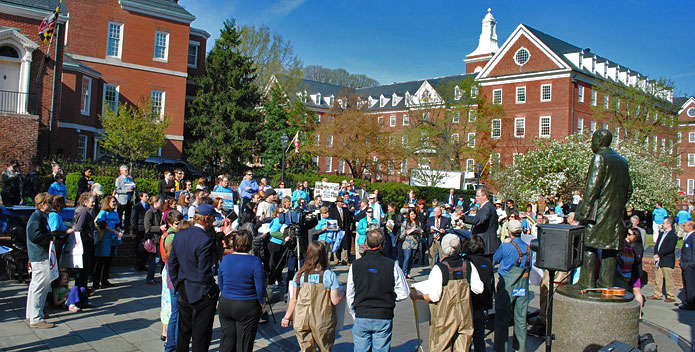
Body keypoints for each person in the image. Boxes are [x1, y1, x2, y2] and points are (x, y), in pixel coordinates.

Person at [575, 129, 632, 289]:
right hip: (616, 215)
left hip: (599, 214)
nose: (591, 144)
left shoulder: (599, 158)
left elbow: (592, 189)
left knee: (589, 246)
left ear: (599, 142)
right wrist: (617, 204)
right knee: (610, 250)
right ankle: (606, 283)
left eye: (592, 140)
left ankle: (586, 282)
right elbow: (629, 190)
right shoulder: (623, 161)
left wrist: (584, 213)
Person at [410, 234, 483, 351]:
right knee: (463, 347)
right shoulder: (468, 265)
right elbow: (479, 289)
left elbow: (434, 296)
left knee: (441, 346)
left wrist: (417, 296)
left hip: (444, 316)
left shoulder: (439, 268)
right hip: (464, 314)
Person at [347, 229, 410, 352]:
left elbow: (350, 293)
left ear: (366, 243)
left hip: (362, 313)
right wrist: (389, 296)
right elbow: (404, 292)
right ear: (383, 244)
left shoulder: (356, 265)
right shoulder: (392, 265)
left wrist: (354, 313)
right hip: (383, 313)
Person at [169, 203, 220, 352]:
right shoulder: (204, 239)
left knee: (184, 330)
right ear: (206, 219)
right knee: (201, 333)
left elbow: (172, 263)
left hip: (184, 287)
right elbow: (204, 271)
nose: (213, 222)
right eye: (212, 219)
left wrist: (177, 284)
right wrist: (212, 289)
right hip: (200, 291)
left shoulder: (180, 234)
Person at [282, 241, 344, 351]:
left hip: (302, 318)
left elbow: (293, 299)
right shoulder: (329, 275)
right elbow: (335, 301)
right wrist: (343, 291)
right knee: (325, 348)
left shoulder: (299, 274)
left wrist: (286, 317)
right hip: (323, 319)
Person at [218, 230, 264, 352]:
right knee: (244, 343)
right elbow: (259, 288)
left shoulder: (226, 259)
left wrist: (226, 294)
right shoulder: (255, 261)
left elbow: (221, 282)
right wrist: (261, 303)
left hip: (226, 302)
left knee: (227, 340)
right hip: (247, 303)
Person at [493, 219, 530, 352]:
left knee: (502, 318)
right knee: (520, 318)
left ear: (509, 231)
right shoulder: (528, 247)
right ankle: (521, 348)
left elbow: (495, 259)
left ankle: (500, 348)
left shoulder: (505, 246)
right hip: (522, 285)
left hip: (507, 284)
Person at [25, 192, 54, 328]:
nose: (52, 205)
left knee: (35, 286)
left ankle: (32, 314)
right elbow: (34, 236)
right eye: (50, 202)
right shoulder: (37, 217)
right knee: (40, 286)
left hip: (38, 255)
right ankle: (36, 318)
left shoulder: (40, 216)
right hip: (40, 256)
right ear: (43, 204)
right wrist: (50, 238)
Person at [463, 234, 494, 352]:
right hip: (483, 304)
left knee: (466, 338)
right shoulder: (487, 261)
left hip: (470, 304)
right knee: (479, 338)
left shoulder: (466, 262)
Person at [162, 210, 187, 351]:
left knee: (175, 314)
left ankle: (172, 345)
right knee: (176, 315)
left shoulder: (176, 235)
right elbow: (173, 261)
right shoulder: (172, 237)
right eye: (177, 223)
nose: (180, 225)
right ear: (171, 224)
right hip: (175, 281)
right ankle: (173, 345)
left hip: (173, 280)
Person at [94, 196, 123, 290]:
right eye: (113, 202)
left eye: (115, 201)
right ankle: (96, 281)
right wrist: (114, 231)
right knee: (102, 260)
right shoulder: (103, 213)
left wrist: (119, 230)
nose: (115, 203)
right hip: (105, 237)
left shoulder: (115, 213)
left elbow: (117, 224)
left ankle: (105, 279)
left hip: (113, 238)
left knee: (109, 260)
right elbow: (102, 224)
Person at [616, 226, 645, 319]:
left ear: (635, 236)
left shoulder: (637, 246)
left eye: (630, 234)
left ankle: (639, 313)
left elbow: (635, 259)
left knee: (636, 291)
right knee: (629, 291)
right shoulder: (629, 245)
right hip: (629, 272)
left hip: (634, 272)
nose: (628, 236)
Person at [647, 217, 678, 303]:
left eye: (664, 223)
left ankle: (670, 295)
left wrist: (659, 254)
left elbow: (670, 248)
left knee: (668, 279)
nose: (662, 225)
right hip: (659, 259)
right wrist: (656, 254)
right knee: (658, 278)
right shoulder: (661, 234)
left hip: (667, 260)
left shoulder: (673, 236)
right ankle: (657, 294)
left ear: (669, 224)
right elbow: (657, 245)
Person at [463, 187, 499, 258]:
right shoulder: (488, 207)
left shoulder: (487, 208)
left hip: (485, 244)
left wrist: (464, 218)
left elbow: (478, 220)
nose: (476, 198)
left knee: (483, 267)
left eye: (478, 196)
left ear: (485, 196)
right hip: (486, 244)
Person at [72, 193, 96, 296]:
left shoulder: (87, 212)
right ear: (85, 202)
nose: (94, 204)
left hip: (86, 244)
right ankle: (81, 290)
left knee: (85, 269)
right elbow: (79, 229)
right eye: (92, 202)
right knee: (82, 269)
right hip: (83, 245)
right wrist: (86, 239)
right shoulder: (83, 213)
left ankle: (83, 289)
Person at [144, 195, 166, 285]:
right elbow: (148, 228)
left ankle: (151, 277)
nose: (162, 204)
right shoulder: (149, 213)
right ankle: (150, 278)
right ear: (155, 202)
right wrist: (159, 228)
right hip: (153, 239)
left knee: (157, 258)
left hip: (158, 239)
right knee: (155, 259)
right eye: (160, 202)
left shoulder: (158, 212)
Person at [48, 195, 73, 268]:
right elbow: (53, 231)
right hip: (56, 242)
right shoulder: (54, 215)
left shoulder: (55, 215)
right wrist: (66, 232)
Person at [329, 196, 353, 265]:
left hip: (344, 230)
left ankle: (344, 259)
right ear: (337, 203)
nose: (342, 203)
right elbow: (330, 220)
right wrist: (334, 228)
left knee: (344, 245)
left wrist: (347, 228)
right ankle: (336, 259)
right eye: (340, 202)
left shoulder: (345, 210)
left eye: (342, 202)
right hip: (336, 230)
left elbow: (349, 220)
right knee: (336, 244)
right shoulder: (332, 210)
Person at [399, 209, 422, 279]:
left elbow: (420, 233)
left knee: (412, 258)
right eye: (411, 214)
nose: (413, 215)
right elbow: (402, 234)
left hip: (415, 242)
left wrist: (418, 231)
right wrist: (410, 230)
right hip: (407, 242)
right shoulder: (405, 222)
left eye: (414, 214)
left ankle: (408, 272)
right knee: (407, 257)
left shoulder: (418, 223)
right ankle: (403, 272)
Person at [131, 191, 150, 271]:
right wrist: (134, 230)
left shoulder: (148, 206)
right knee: (139, 248)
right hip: (139, 229)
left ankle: (143, 264)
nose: (147, 197)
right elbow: (133, 219)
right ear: (141, 197)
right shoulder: (136, 207)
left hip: (146, 229)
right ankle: (138, 265)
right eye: (145, 196)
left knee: (146, 248)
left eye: (147, 196)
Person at [114, 165, 136, 231]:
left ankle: (127, 228)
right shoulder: (119, 179)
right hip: (122, 200)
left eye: (127, 170)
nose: (127, 172)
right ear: (121, 171)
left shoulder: (130, 179)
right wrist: (126, 191)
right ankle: (119, 227)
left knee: (128, 215)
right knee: (120, 215)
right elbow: (117, 190)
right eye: (125, 170)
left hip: (129, 200)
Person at [680, 220, 695, 310]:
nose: (683, 227)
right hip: (685, 264)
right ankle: (687, 302)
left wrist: (690, 264)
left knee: (690, 285)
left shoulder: (693, 237)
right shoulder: (687, 236)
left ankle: (691, 303)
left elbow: (694, 252)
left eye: (684, 225)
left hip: (689, 265)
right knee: (686, 284)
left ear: (690, 227)